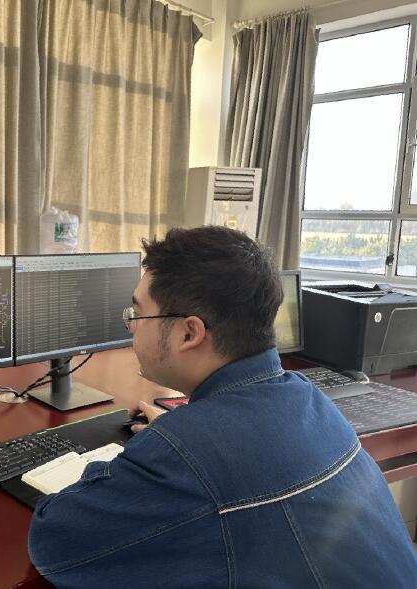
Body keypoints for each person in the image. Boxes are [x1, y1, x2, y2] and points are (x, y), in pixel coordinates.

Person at [28, 226, 417, 588]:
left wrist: (165, 450)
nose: (131, 326)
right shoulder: (306, 397)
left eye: (138, 314)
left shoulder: (185, 453)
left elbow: (53, 541)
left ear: (189, 333)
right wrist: (183, 436)